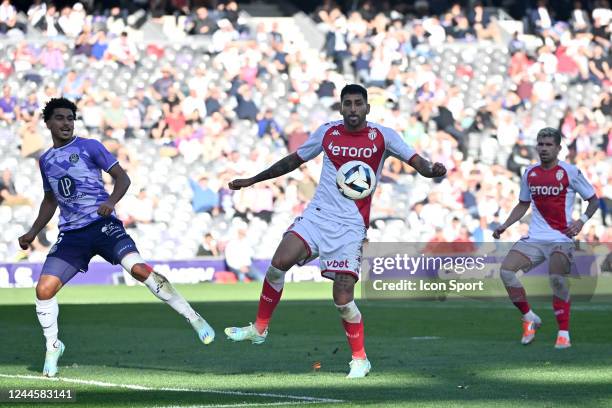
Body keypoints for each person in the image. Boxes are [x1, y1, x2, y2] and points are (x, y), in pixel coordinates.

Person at [224, 84, 446, 378]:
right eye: (348, 104)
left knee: (342, 299)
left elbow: (416, 161)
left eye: (358, 104)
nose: (353, 109)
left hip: (351, 226)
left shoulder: (383, 136)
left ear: (367, 108)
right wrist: (253, 180)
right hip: (318, 216)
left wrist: (432, 170)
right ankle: (259, 328)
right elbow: (293, 160)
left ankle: (360, 359)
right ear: (341, 108)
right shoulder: (328, 132)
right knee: (278, 264)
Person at [17, 98, 215, 378]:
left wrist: (110, 202)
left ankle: (192, 316)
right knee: (43, 290)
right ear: (48, 123)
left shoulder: (90, 146)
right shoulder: (46, 160)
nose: (66, 123)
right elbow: (50, 200)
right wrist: (32, 232)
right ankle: (53, 345)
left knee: (140, 270)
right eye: (59, 118)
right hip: (72, 235)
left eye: (70, 118)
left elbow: (122, 178)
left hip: (103, 225)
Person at [493, 127, 598, 349]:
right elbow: (523, 204)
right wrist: (504, 225)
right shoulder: (529, 173)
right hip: (535, 238)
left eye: (548, 144)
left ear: (558, 148)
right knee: (506, 271)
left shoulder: (570, 172)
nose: (543, 148)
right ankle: (529, 316)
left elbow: (594, 200)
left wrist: (581, 221)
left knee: (557, 279)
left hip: (561, 237)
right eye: (540, 144)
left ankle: (563, 332)